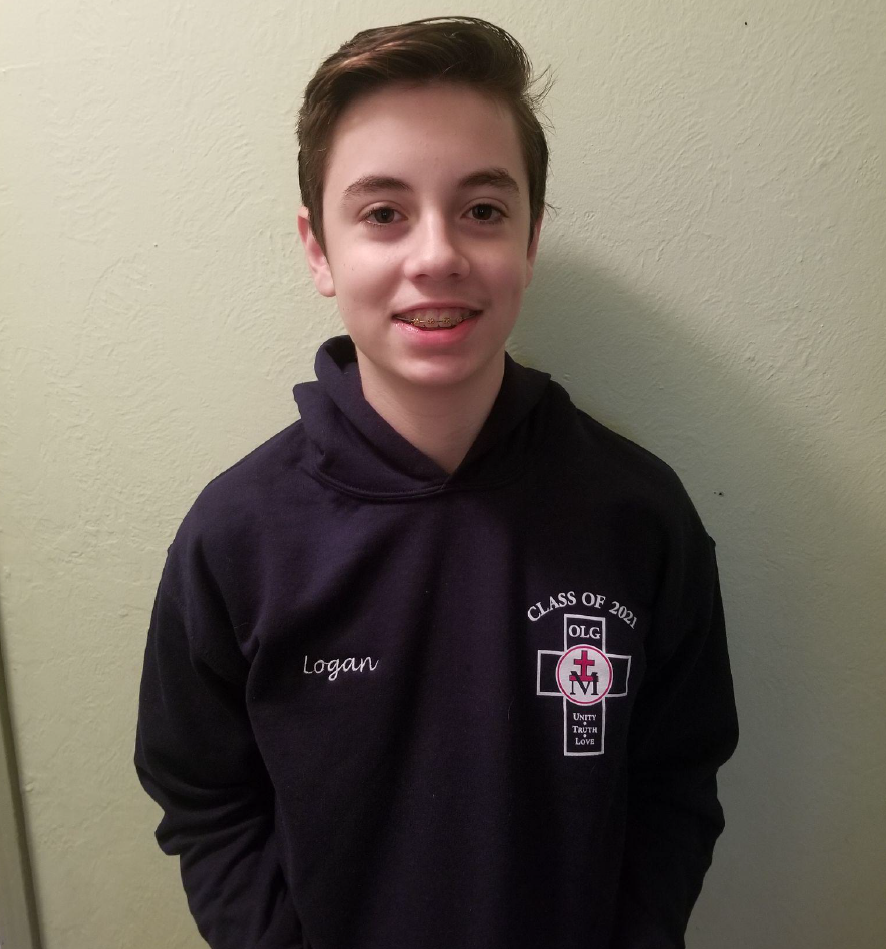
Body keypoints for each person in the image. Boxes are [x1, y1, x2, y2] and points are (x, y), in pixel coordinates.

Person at [134, 16, 738, 949]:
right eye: (383, 213)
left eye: (483, 210)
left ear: (530, 238)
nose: (436, 256)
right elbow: (203, 795)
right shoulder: (236, 536)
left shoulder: (640, 516)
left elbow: (677, 778)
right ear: (318, 249)